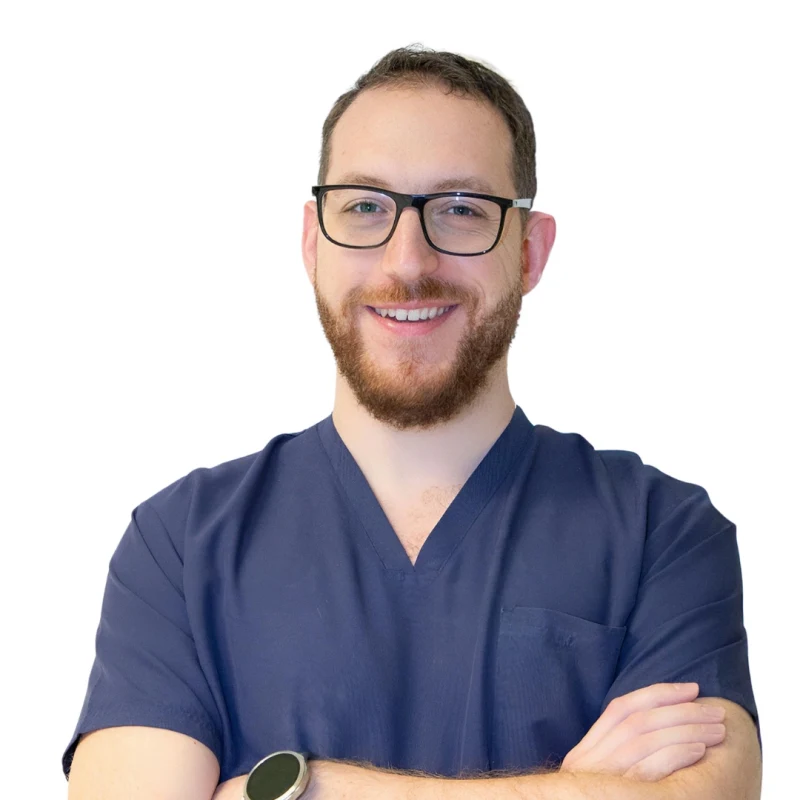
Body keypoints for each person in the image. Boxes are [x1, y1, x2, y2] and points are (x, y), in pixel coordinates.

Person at [63, 46, 762, 799]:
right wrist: (575, 788)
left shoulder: (661, 533)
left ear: (529, 250)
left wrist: (310, 788)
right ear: (313, 242)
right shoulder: (180, 546)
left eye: (461, 209)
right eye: (365, 207)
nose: (407, 261)